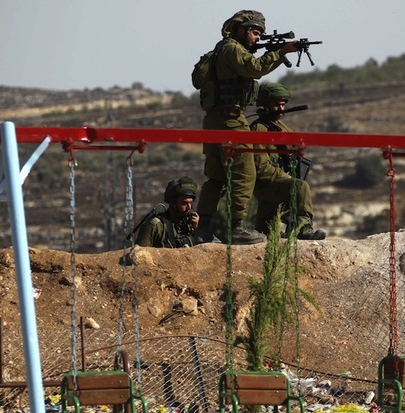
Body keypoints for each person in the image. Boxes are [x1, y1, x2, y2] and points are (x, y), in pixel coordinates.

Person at [195, 10, 298, 245]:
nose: (257, 38)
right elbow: (254, 68)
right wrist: (280, 53)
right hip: (231, 121)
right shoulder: (232, 48)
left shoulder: (220, 50)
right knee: (245, 172)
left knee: (217, 177)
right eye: (254, 32)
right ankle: (236, 228)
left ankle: (203, 228)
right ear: (239, 29)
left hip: (213, 121)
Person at [250, 83, 326, 240]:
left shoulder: (280, 126)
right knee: (300, 187)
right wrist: (288, 180)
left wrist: (298, 150)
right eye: (277, 105)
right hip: (267, 184)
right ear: (265, 105)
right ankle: (302, 228)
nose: (281, 109)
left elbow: (293, 147)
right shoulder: (259, 129)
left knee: (266, 233)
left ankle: (280, 228)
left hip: (277, 183)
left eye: (283, 105)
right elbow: (261, 166)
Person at [134, 177, 211, 248]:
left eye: (191, 203)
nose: (189, 207)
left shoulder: (192, 225)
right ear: (173, 203)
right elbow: (141, 257)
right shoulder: (156, 227)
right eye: (184, 203)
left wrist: (198, 229)